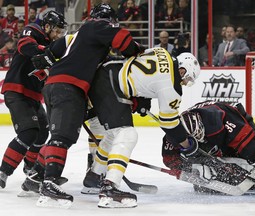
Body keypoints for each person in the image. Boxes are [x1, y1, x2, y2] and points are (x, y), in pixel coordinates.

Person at [24, 3, 144, 208]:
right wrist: (138, 52)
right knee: (63, 138)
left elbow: (46, 57)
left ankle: (36, 175)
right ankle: (50, 184)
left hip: (59, 87)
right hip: (68, 87)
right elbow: (123, 40)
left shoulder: (79, 36)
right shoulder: (96, 26)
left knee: (63, 135)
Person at [83, 47, 201, 208]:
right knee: (128, 134)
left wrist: (140, 98)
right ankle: (110, 186)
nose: (184, 83)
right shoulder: (172, 86)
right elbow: (169, 122)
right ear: (182, 70)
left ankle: (95, 175)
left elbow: (140, 69)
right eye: (186, 79)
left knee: (113, 133)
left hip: (105, 72)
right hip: (113, 87)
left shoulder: (162, 51)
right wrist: (187, 144)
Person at [0, 10, 67, 189]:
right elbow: (24, 46)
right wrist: (46, 52)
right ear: (47, 26)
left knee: (43, 133)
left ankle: (30, 169)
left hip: (33, 96)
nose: (59, 35)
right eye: (57, 31)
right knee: (28, 132)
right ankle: (3, 172)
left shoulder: (54, 48)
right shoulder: (33, 30)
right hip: (17, 90)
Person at [161, 100, 255, 191]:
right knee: (204, 186)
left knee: (251, 155)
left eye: (199, 135)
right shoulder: (175, 134)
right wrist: (193, 167)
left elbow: (249, 146)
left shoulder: (219, 120)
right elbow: (170, 159)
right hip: (212, 134)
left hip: (235, 117)